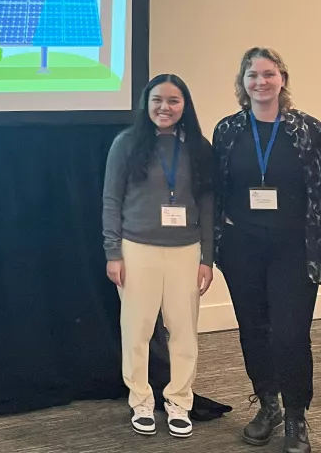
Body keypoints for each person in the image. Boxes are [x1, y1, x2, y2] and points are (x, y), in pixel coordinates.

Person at [212, 48, 321, 453]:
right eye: (253, 75)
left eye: (269, 74)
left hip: (294, 247)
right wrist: (218, 238)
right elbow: (217, 188)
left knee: (290, 334)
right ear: (243, 81)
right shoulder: (228, 129)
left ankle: (296, 415)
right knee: (254, 329)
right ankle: (268, 404)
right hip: (242, 246)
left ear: (282, 78)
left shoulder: (308, 129)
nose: (260, 82)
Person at [103, 74, 215, 439]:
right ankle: (140, 399)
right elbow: (111, 201)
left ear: (185, 106)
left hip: (185, 251)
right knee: (136, 330)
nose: (164, 107)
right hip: (137, 250)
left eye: (173, 100)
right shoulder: (126, 144)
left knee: (183, 331)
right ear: (145, 103)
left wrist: (207, 258)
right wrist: (113, 252)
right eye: (157, 100)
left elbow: (209, 204)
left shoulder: (199, 147)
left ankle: (179, 399)